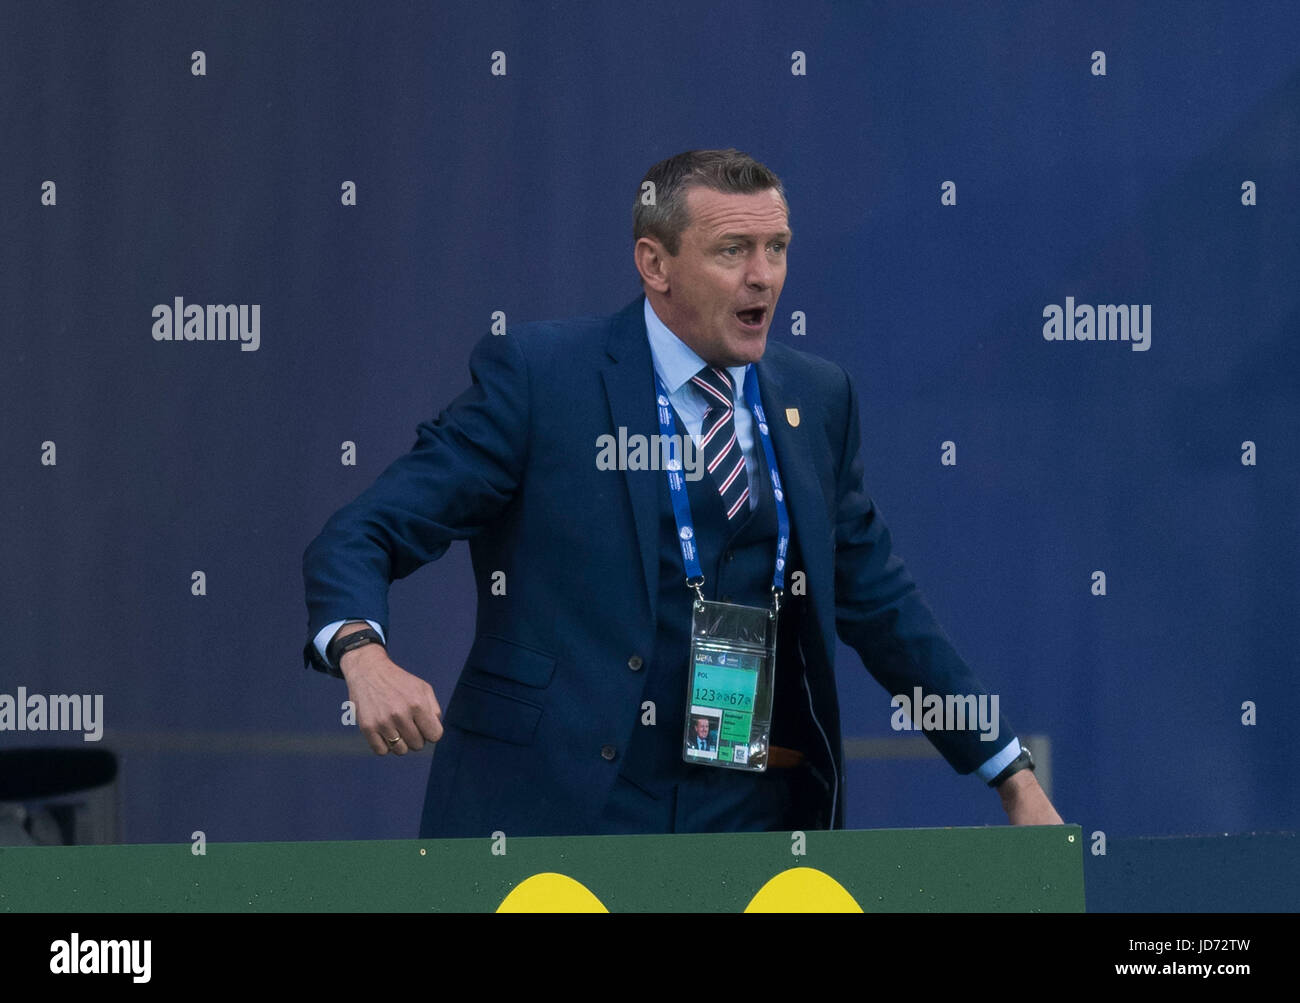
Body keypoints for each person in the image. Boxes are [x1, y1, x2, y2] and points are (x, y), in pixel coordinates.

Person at [302, 149, 1063, 838]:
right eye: (733, 250)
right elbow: (366, 530)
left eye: (777, 248)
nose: (763, 275)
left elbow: (882, 603)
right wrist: (361, 651)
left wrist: (1006, 768)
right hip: (557, 811)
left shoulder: (816, 397)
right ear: (655, 265)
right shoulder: (543, 378)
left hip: (746, 814)